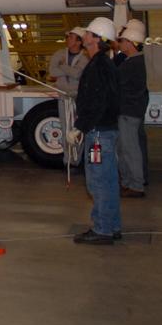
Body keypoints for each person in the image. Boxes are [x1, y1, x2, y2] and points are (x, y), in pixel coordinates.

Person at [69, 16, 122, 245]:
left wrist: (80, 127)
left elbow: (98, 102)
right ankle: (111, 225)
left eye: (88, 34)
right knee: (108, 180)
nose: (84, 37)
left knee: (98, 181)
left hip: (98, 134)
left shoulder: (98, 66)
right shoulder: (103, 63)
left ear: (96, 39)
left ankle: (102, 229)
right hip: (103, 130)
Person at [116, 19, 149, 198]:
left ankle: (135, 185)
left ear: (129, 42)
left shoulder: (132, 64)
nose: (119, 44)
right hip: (130, 111)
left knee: (129, 149)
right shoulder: (136, 62)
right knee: (125, 149)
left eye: (121, 41)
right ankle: (129, 182)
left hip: (128, 112)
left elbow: (116, 84)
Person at [48, 27, 88, 165]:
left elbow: (78, 74)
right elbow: (52, 71)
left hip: (79, 98)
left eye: (71, 37)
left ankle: (77, 159)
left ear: (78, 41)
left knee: (78, 129)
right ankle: (68, 160)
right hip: (64, 97)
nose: (67, 39)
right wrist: (69, 70)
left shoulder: (85, 57)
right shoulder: (59, 54)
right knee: (66, 129)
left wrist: (63, 67)